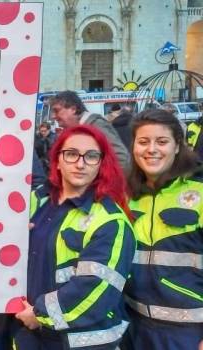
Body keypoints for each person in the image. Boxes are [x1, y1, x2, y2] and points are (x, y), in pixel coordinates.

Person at [13, 125, 135, 349]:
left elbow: (95, 290)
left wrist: (39, 314)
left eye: (91, 156)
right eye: (71, 154)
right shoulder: (34, 202)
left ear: (101, 164)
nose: (80, 164)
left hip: (83, 343)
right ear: (57, 160)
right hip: (31, 337)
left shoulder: (110, 221)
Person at [123, 109, 203, 349]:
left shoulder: (199, 191)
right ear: (134, 146)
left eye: (162, 141)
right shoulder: (126, 197)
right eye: (143, 141)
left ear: (178, 146)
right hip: (135, 329)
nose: (152, 149)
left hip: (188, 335)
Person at [49, 90, 130, 169]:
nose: (53, 116)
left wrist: (101, 181)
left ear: (73, 109)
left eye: (56, 111)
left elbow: (121, 158)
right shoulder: (74, 130)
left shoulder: (96, 125)